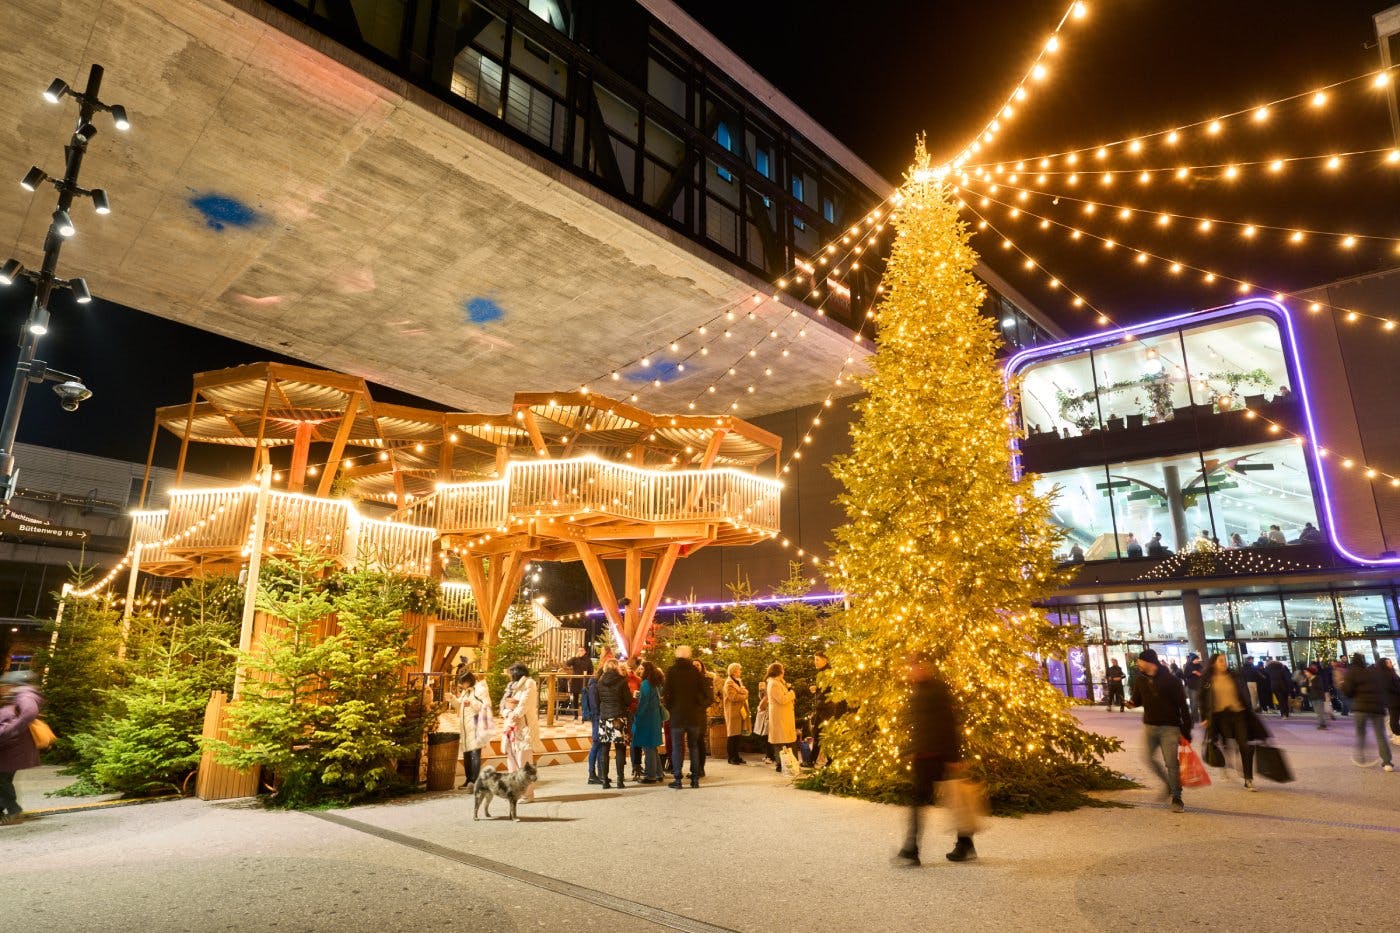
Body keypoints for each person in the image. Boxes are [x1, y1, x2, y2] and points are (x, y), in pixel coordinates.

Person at [895, 654, 975, 866]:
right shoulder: (918, 690)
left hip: (940, 756)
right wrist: (913, 749)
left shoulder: (937, 690)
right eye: (911, 667)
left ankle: (963, 843)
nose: (913, 671)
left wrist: (954, 757)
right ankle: (912, 848)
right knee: (918, 802)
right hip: (924, 755)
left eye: (917, 667)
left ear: (926, 667)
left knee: (955, 802)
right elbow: (920, 726)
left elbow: (948, 724)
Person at [1126, 648, 1192, 811]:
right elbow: (1137, 700)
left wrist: (1186, 730)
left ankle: (1177, 798)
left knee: (1171, 764)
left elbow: (1183, 708)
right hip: (1150, 726)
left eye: (1140, 661)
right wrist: (1130, 704)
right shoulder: (1141, 680)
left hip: (1170, 728)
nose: (1138, 664)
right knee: (1148, 758)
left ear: (1149, 662)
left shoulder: (1171, 681)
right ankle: (1169, 784)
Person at [1200, 653, 1268, 791]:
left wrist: (1249, 708)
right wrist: (1204, 718)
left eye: (1225, 660)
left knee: (1244, 745)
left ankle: (1248, 779)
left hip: (1238, 714)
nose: (1224, 663)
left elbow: (1245, 693)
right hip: (1219, 717)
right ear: (1214, 663)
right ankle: (1224, 765)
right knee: (1225, 744)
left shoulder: (1235, 676)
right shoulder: (1207, 679)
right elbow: (1202, 700)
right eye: (1221, 661)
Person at [0, 670, 43, 825]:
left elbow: (29, 712)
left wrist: (9, 730)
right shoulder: (17, 695)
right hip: (10, 747)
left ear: (14, 684)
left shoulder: (25, 694)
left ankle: (14, 811)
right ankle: (8, 811)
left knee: (2, 780)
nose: (2, 689)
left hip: (13, 748)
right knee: (3, 780)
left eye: (4, 685)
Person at [663, 646, 709, 788]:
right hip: (693, 715)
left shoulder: (671, 671)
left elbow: (666, 693)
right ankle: (695, 779)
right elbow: (705, 694)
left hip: (677, 715)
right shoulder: (695, 672)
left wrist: (671, 708)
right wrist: (698, 706)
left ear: (677, 655)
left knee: (677, 747)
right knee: (693, 746)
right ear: (689, 656)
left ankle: (677, 779)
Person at [1341, 653, 1394, 771]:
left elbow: (1348, 691)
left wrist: (1343, 686)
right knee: (1380, 735)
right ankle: (1387, 763)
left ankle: (1361, 758)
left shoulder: (1352, 672)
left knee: (1361, 734)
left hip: (1361, 707)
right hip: (1377, 707)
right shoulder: (1372, 671)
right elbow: (1381, 688)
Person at [500, 663, 539, 800]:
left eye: (511, 673)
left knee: (524, 761)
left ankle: (528, 794)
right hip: (511, 727)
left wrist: (514, 715)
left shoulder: (529, 684)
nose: (510, 676)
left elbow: (524, 704)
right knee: (511, 761)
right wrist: (507, 713)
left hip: (524, 728)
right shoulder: (511, 686)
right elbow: (502, 705)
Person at [594, 659, 632, 789]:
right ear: (617, 668)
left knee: (604, 749)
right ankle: (620, 781)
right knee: (620, 749)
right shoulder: (622, 681)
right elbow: (628, 701)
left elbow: (597, 700)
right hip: (618, 718)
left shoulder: (600, 682)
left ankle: (605, 781)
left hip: (604, 718)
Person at [456, 671, 492, 788]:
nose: (462, 685)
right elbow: (459, 704)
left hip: (476, 724)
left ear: (469, 681)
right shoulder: (467, 691)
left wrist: (471, 703)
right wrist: (451, 698)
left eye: (463, 682)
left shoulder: (480, 689)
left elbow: (485, 705)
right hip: (466, 726)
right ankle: (468, 780)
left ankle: (475, 781)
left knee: (475, 753)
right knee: (467, 753)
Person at [631, 661, 665, 783]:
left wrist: (638, 715)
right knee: (653, 747)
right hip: (655, 718)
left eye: (642, 669)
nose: (640, 671)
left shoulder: (646, 684)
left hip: (647, 718)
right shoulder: (655, 683)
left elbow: (644, 703)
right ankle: (659, 773)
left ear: (647, 670)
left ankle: (650, 776)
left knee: (648, 747)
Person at [808, 651, 843, 766]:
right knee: (818, 735)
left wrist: (817, 693)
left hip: (827, 708)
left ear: (825, 660)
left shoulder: (828, 673)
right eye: (815, 660)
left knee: (824, 735)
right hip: (823, 707)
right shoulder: (822, 672)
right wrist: (817, 689)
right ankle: (812, 760)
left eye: (817, 659)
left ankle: (830, 761)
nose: (815, 662)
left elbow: (829, 691)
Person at [765, 662, 799, 773]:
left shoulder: (778, 682)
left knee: (786, 739)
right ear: (778, 671)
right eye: (782, 669)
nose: (784, 672)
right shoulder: (773, 683)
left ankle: (788, 763)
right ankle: (781, 764)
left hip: (783, 715)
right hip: (779, 716)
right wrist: (792, 693)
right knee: (780, 741)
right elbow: (781, 699)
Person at [721, 662, 751, 765]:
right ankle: (731, 757)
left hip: (739, 711)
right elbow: (733, 697)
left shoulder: (738, 681)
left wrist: (744, 693)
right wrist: (744, 696)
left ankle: (737, 756)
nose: (740, 671)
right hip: (732, 712)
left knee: (737, 735)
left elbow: (745, 691)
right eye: (739, 670)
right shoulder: (729, 683)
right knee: (732, 735)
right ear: (734, 671)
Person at [581, 667, 603, 785]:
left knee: (599, 745)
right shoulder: (594, 686)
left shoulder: (595, 685)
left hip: (598, 717)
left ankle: (600, 774)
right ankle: (592, 774)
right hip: (597, 718)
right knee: (596, 745)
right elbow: (595, 705)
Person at [564, 645, 593, 720]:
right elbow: (567, 664)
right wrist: (575, 657)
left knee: (585, 697)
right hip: (575, 681)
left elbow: (591, 670)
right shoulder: (575, 659)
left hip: (584, 681)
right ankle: (575, 715)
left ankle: (585, 714)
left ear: (585, 652)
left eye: (582, 650)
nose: (580, 652)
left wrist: (588, 678)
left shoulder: (588, 660)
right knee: (575, 698)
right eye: (579, 650)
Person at [1380, 657, 1400, 745]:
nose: (1390, 664)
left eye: (1390, 662)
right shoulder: (1384, 676)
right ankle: (1397, 735)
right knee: (1394, 720)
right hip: (1393, 700)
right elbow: (1391, 688)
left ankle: (1397, 735)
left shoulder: (1391, 672)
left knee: (1393, 719)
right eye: (1388, 663)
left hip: (1396, 699)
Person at [1182, 653, 1203, 724]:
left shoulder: (1199, 666)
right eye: (1196, 659)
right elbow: (1185, 675)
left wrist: (1198, 673)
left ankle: (1196, 717)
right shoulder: (1188, 666)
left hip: (1199, 686)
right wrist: (1192, 673)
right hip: (1191, 686)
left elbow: (1203, 673)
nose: (1198, 660)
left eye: (1198, 659)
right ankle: (1195, 718)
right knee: (1193, 702)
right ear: (1193, 660)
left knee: (1197, 702)